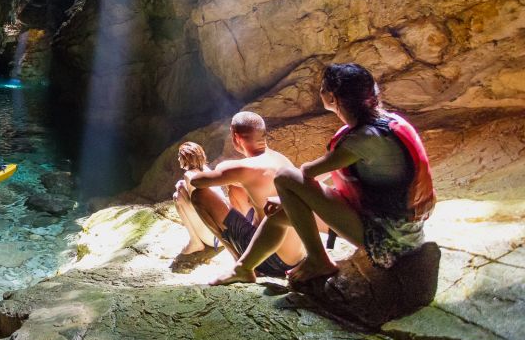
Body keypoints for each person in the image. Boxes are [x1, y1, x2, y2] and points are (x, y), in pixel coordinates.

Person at [210, 63, 435, 285]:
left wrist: (288, 193)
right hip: (400, 230)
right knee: (281, 214)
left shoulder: (365, 138)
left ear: (331, 98)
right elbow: (326, 177)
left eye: (322, 88)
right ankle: (244, 268)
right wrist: (285, 200)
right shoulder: (389, 123)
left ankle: (319, 260)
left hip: (388, 241)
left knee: (285, 178)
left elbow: (308, 172)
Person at [180, 112, 305, 278]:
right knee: (237, 188)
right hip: (298, 254)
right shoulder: (280, 159)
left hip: (274, 261)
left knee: (199, 196)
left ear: (235, 136)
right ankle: (248, 253)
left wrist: (194, 169)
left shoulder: (241, 167)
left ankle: (241, 263)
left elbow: (197, 182)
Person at [171, 142, 223, 270]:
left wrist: (181, 190)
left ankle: (195, 242)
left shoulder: (189, 176)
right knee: (181, 188)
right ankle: (196, 240)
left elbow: (197, 205)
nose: (178, 159)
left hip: (214, 238)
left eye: (179, 156)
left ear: (185, 158)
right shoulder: (207, 170)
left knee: (177, 197)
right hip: (224, 234)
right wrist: (182, 186)